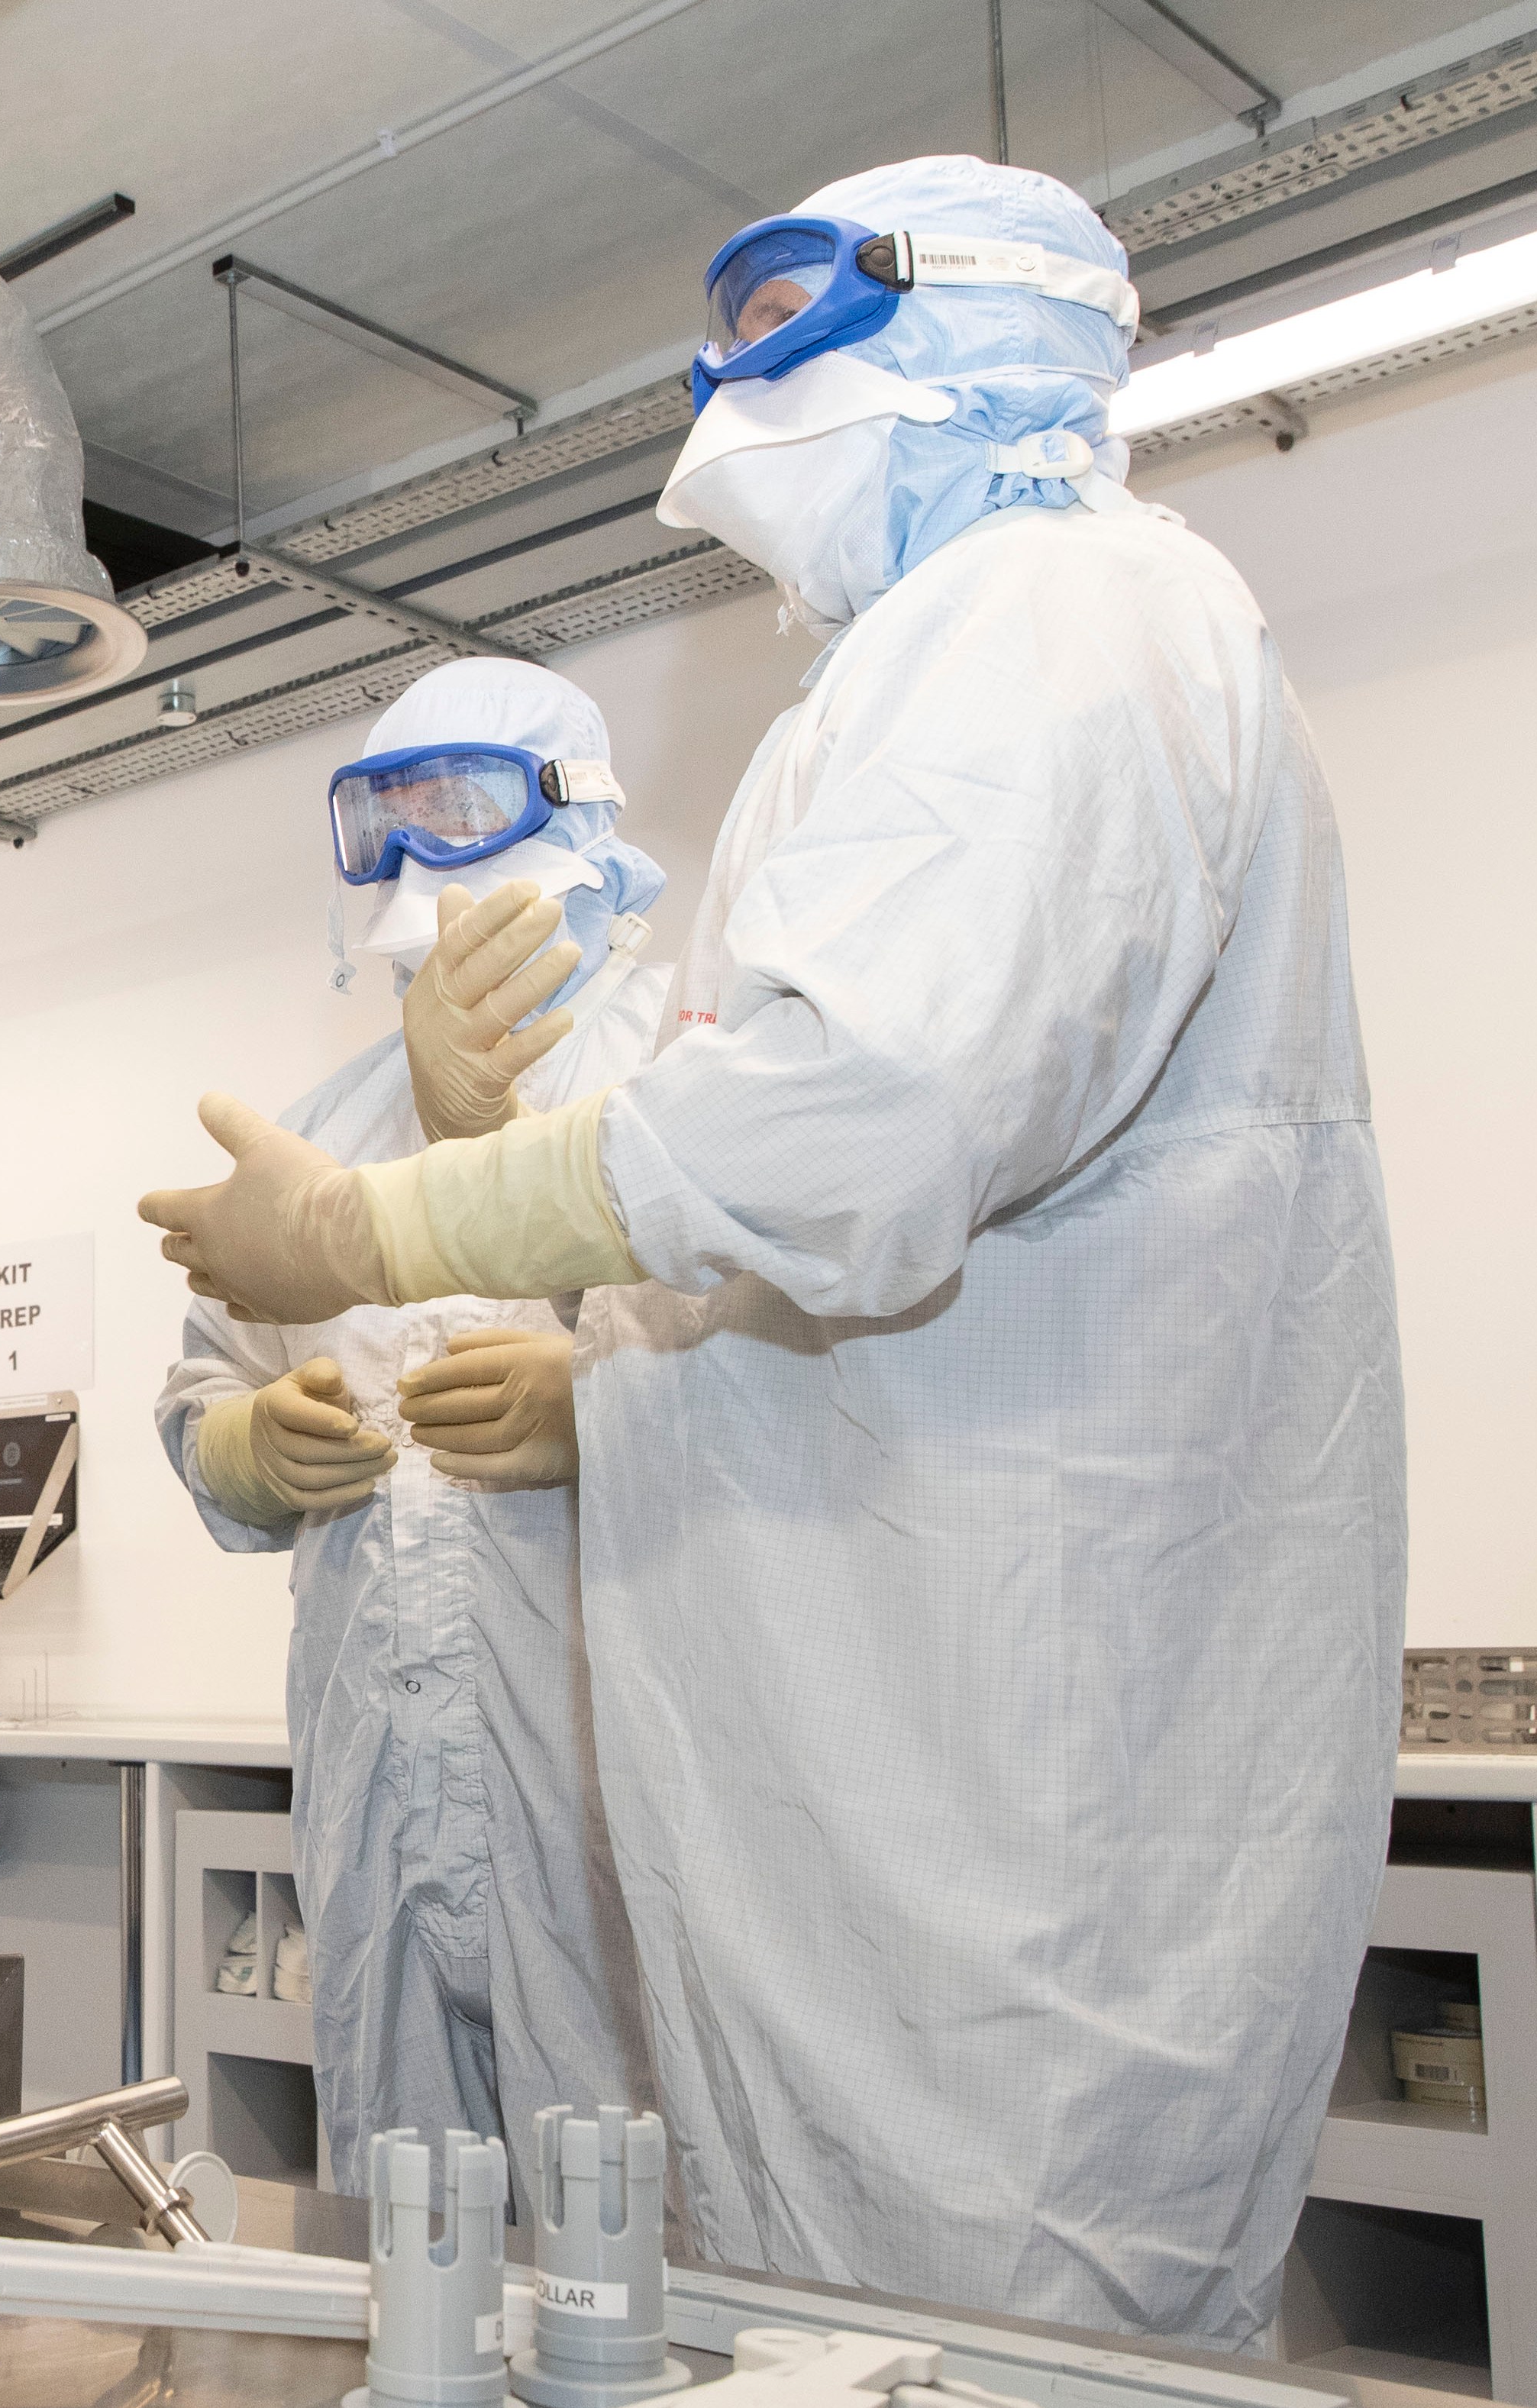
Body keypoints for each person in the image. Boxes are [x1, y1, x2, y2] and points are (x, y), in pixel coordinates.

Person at [137, 156, 1400, 2348]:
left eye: (775, 314)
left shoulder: (1058, 620)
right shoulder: (911, 679)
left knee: (965, 2322)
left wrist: (381, 1225)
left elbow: (847, 1127)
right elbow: (782, 1216)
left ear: (957, 321)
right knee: (680, 2298)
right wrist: (285, 1415)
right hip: (819, 1774)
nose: (728, 386)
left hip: (989, 1789)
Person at [154, 658, 666, 2206]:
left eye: (464, 805)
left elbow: (804, 1385)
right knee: (406, 2226)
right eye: (391, 816)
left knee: (635, 2215)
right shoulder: (325, 1129)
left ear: (575, 822)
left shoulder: (683, 1074)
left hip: (605, 1799)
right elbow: (201, 1381)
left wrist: (610, 1401)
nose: (424, 847)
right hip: (374, 1788)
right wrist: (240, 1445)